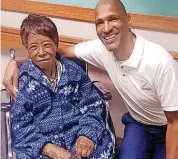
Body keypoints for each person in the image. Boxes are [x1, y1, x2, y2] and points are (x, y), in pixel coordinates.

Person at [3, 0, 178, 159]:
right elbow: (54, 52)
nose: (107, 28)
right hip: (137, 123)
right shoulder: (99, 48)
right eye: (100, 22)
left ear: (128, 20)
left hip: (169, 126)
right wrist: (16, 62)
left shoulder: (160, 62)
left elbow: (93, 106)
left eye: (113, 19)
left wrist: (87, 135)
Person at [9, 14, 115, 159]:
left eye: (46, 44)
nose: (41, 52)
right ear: (26, 48)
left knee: (100, 149)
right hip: (42, 144)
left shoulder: (74, 72)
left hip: (78, 136)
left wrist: (86, 135)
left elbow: (93, 106)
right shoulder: (23, 81)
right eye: (33, 47)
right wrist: (49, 148)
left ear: (56, 43)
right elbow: (20, 126)